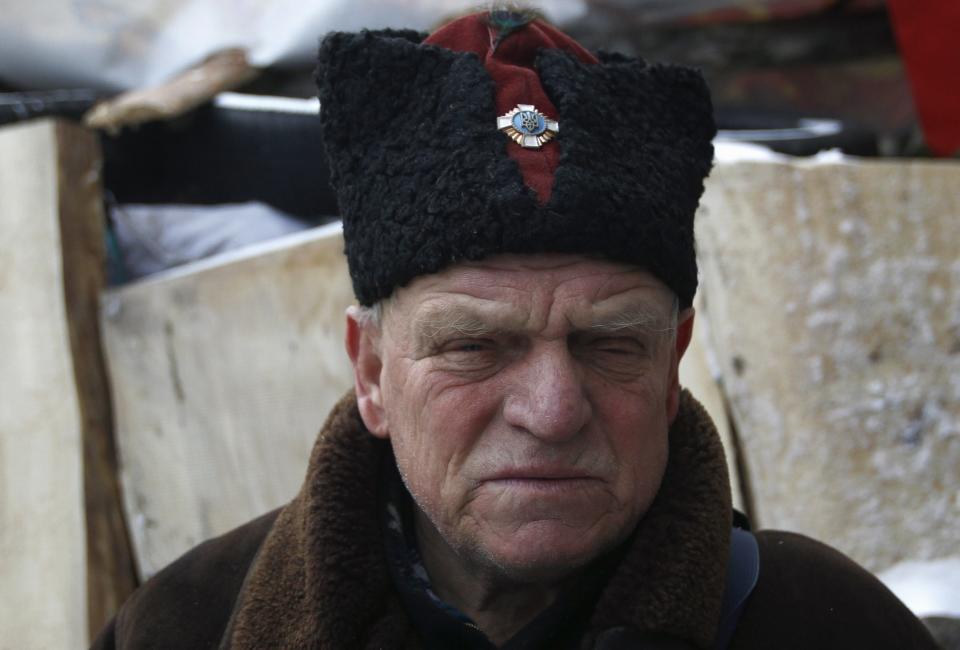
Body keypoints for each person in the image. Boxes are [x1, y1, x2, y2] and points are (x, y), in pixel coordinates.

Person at [92, 9, 938, 650]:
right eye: (474, 347)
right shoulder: (185, 626)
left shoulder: (826, 625)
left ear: (673, 365)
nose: (553, 410)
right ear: (374, 373)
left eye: (610, 345)